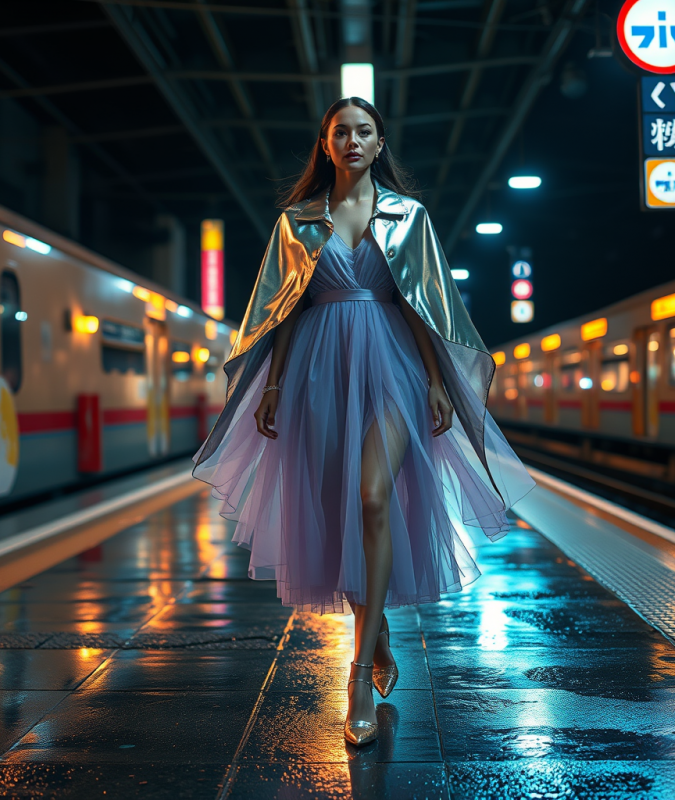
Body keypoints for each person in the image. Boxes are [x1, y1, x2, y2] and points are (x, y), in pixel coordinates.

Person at [192, 97, 535, 747]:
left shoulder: (410, 216)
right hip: (317, 373)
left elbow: (424, 307)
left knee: (372, 499)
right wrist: (274, 386)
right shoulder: (297, 222)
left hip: (395, 370)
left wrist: (436, 381)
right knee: (338, 510)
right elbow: (282, 311)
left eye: (364, 132)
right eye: (340, 132)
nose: (352, 141)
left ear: (381, 145)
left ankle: (357, 674)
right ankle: (376, 632)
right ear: (326, 145)